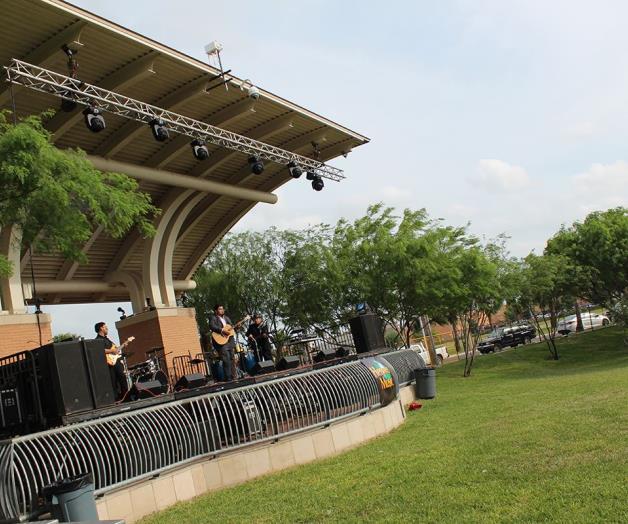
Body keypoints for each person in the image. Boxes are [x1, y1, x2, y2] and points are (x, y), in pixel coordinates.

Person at [95, 321, 129, 400]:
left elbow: (116, 350)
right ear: (101, 328)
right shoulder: (97, 340)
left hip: (116, 361)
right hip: (109, 363)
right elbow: (99, 350)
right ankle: (116, 399)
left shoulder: (108, 340)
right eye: (105, 327)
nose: (107, 328)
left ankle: (126, 396)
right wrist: (112, 351)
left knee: (122, 377)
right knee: (113, 382)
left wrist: (124, 344)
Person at [209, 304, 237, 381]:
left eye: (222, 309)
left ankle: (233, 376)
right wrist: (222, 330)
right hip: (221, 341)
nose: (222, 310)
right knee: (226, 359)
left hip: (229, 341)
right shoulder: (213, 318)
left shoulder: (227, 318)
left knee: (231, 358)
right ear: (216, 311)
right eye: (220, 309)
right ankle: (228, 378)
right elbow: (212, 326)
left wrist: (237, 326)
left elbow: (231, 328)